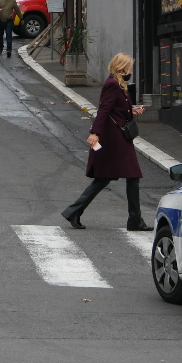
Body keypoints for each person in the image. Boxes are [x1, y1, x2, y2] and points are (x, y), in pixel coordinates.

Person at [61, 53, 149, 231]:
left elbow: (117, 108)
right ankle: (134, 220)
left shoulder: (118, 83)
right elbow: (103, 110)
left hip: (117, 137)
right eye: (129, 68)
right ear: (122, 68)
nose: (131, 71)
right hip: (114, 139)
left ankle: (74, 211)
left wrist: (132, 110)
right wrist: (95, 133)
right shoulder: (112, 84)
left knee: (106, 178)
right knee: (130, 176)